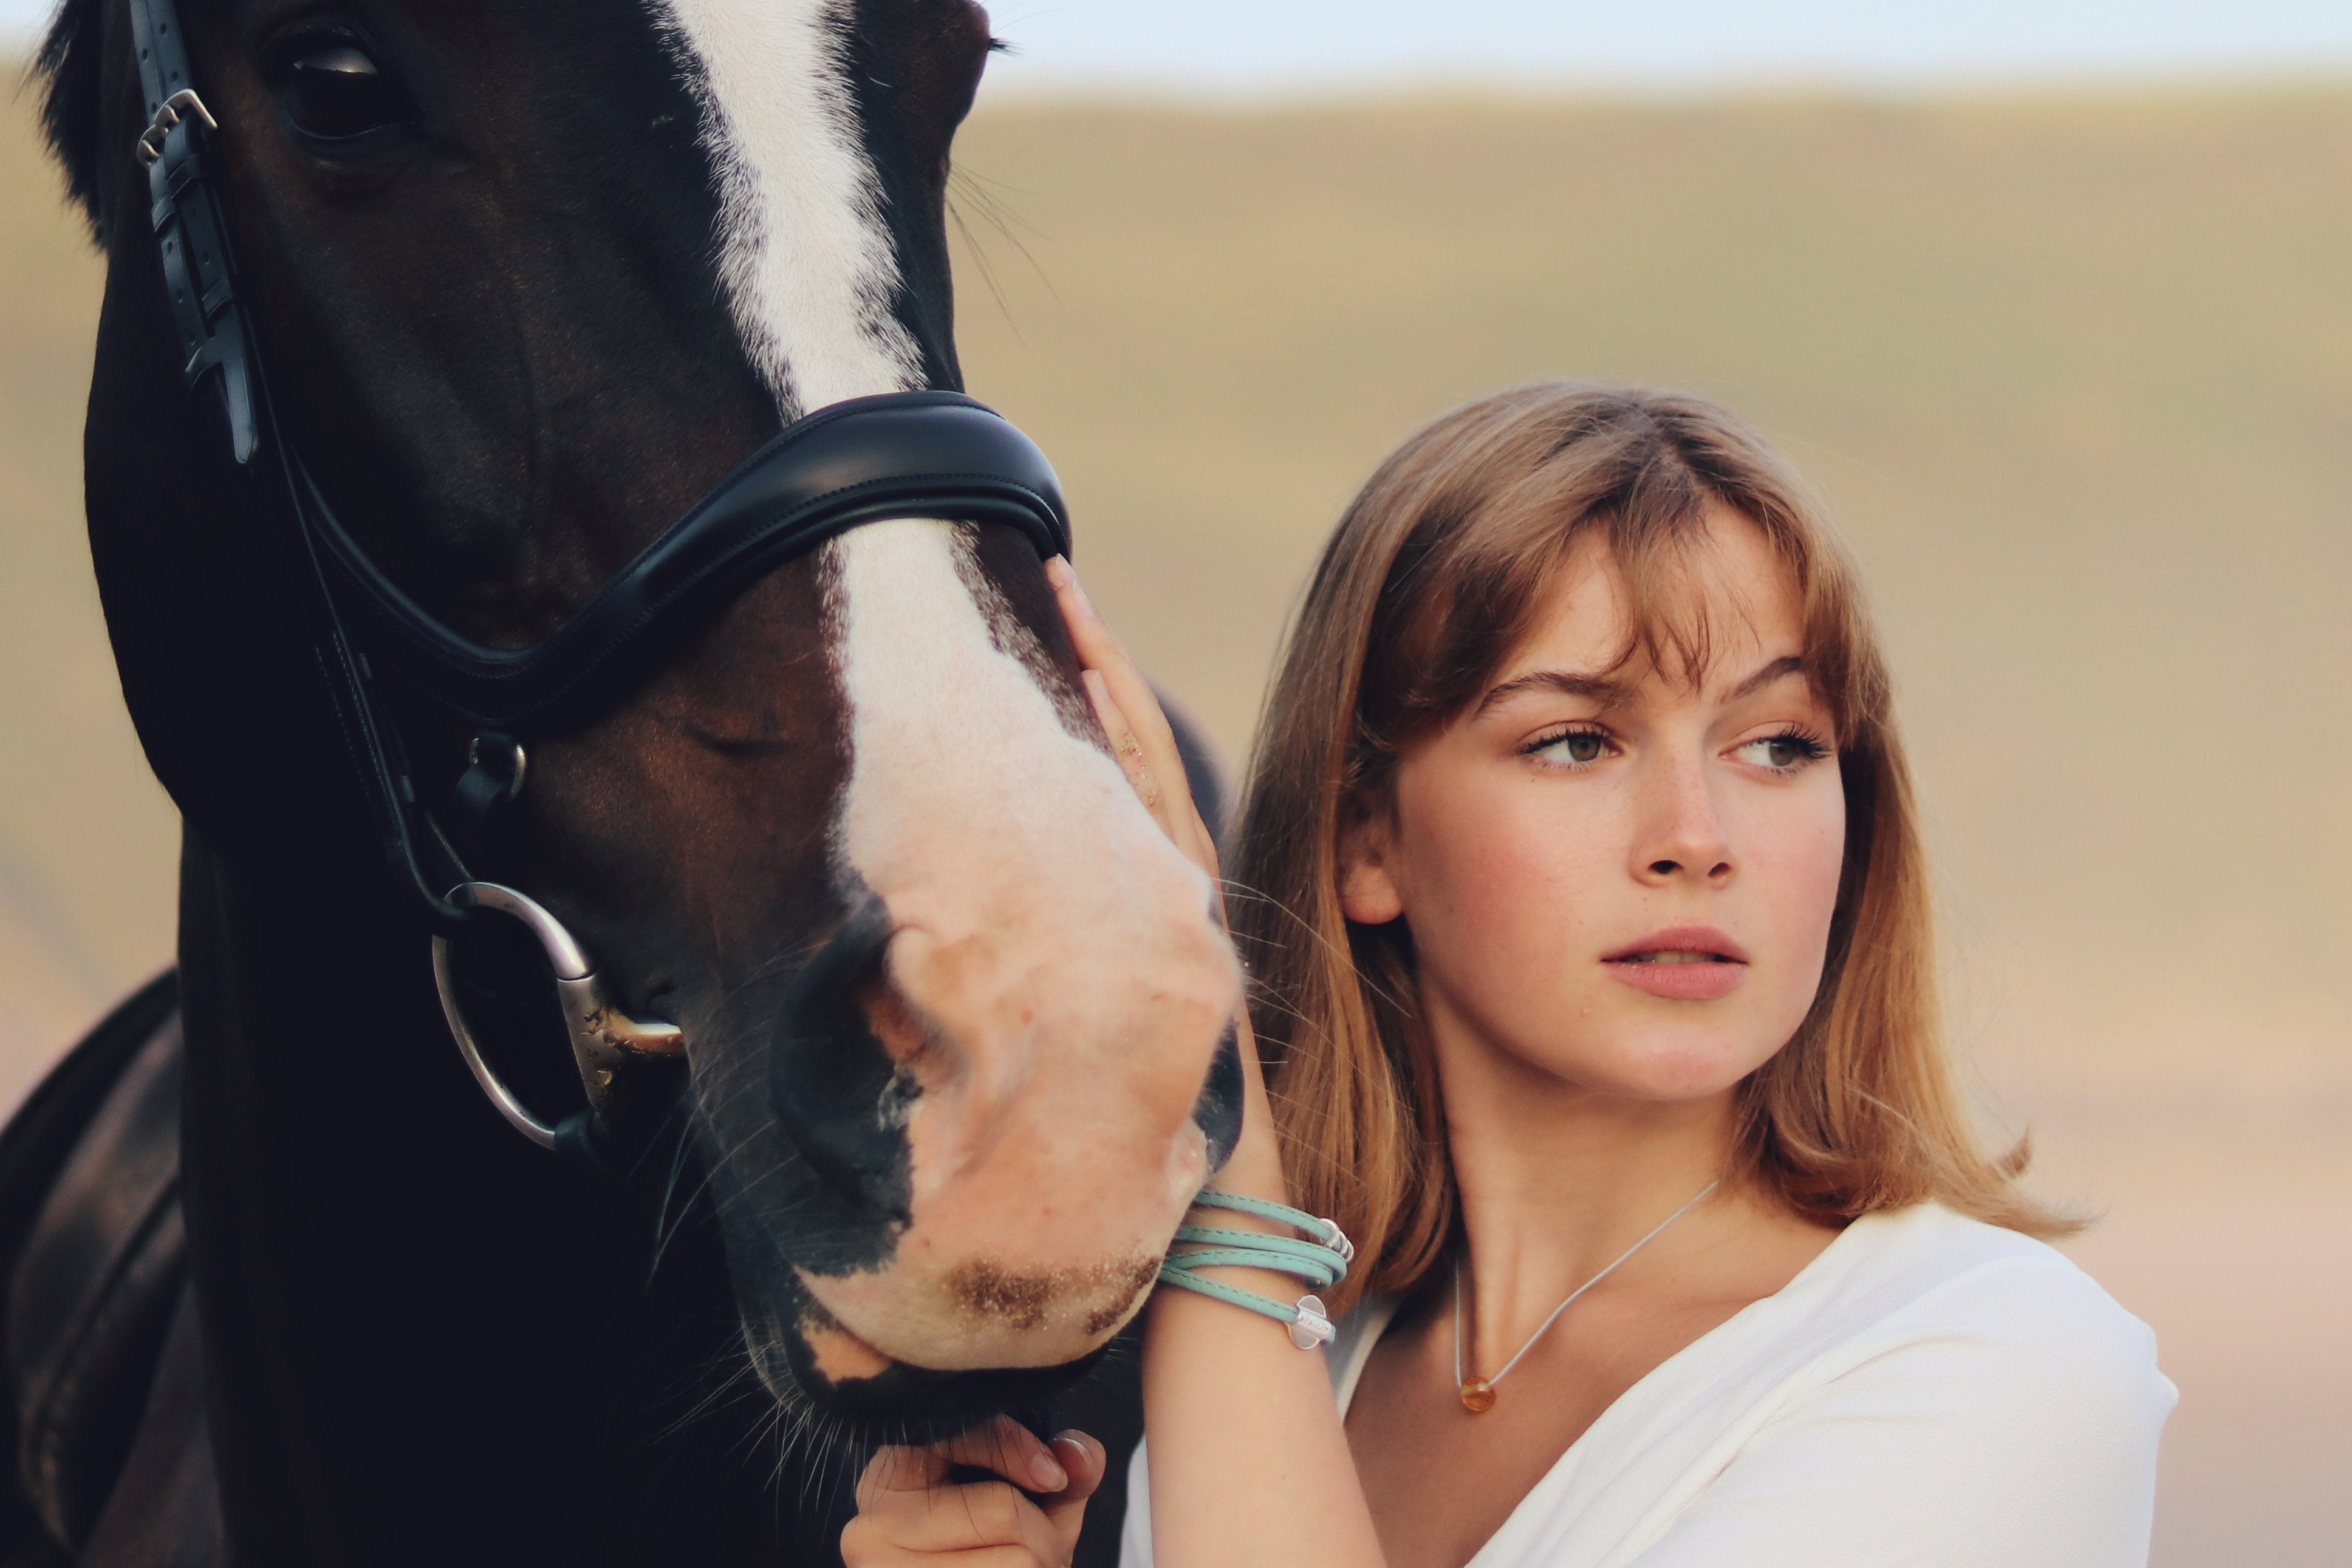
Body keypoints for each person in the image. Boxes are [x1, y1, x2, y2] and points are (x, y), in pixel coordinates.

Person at [840, 384, 2175, 1568]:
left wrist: (1219, 1128)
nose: (1696, 840)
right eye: (1577, 741)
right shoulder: (1305, 1347)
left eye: (1776, 745)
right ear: (1368, 838)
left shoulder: (1995, 1364)